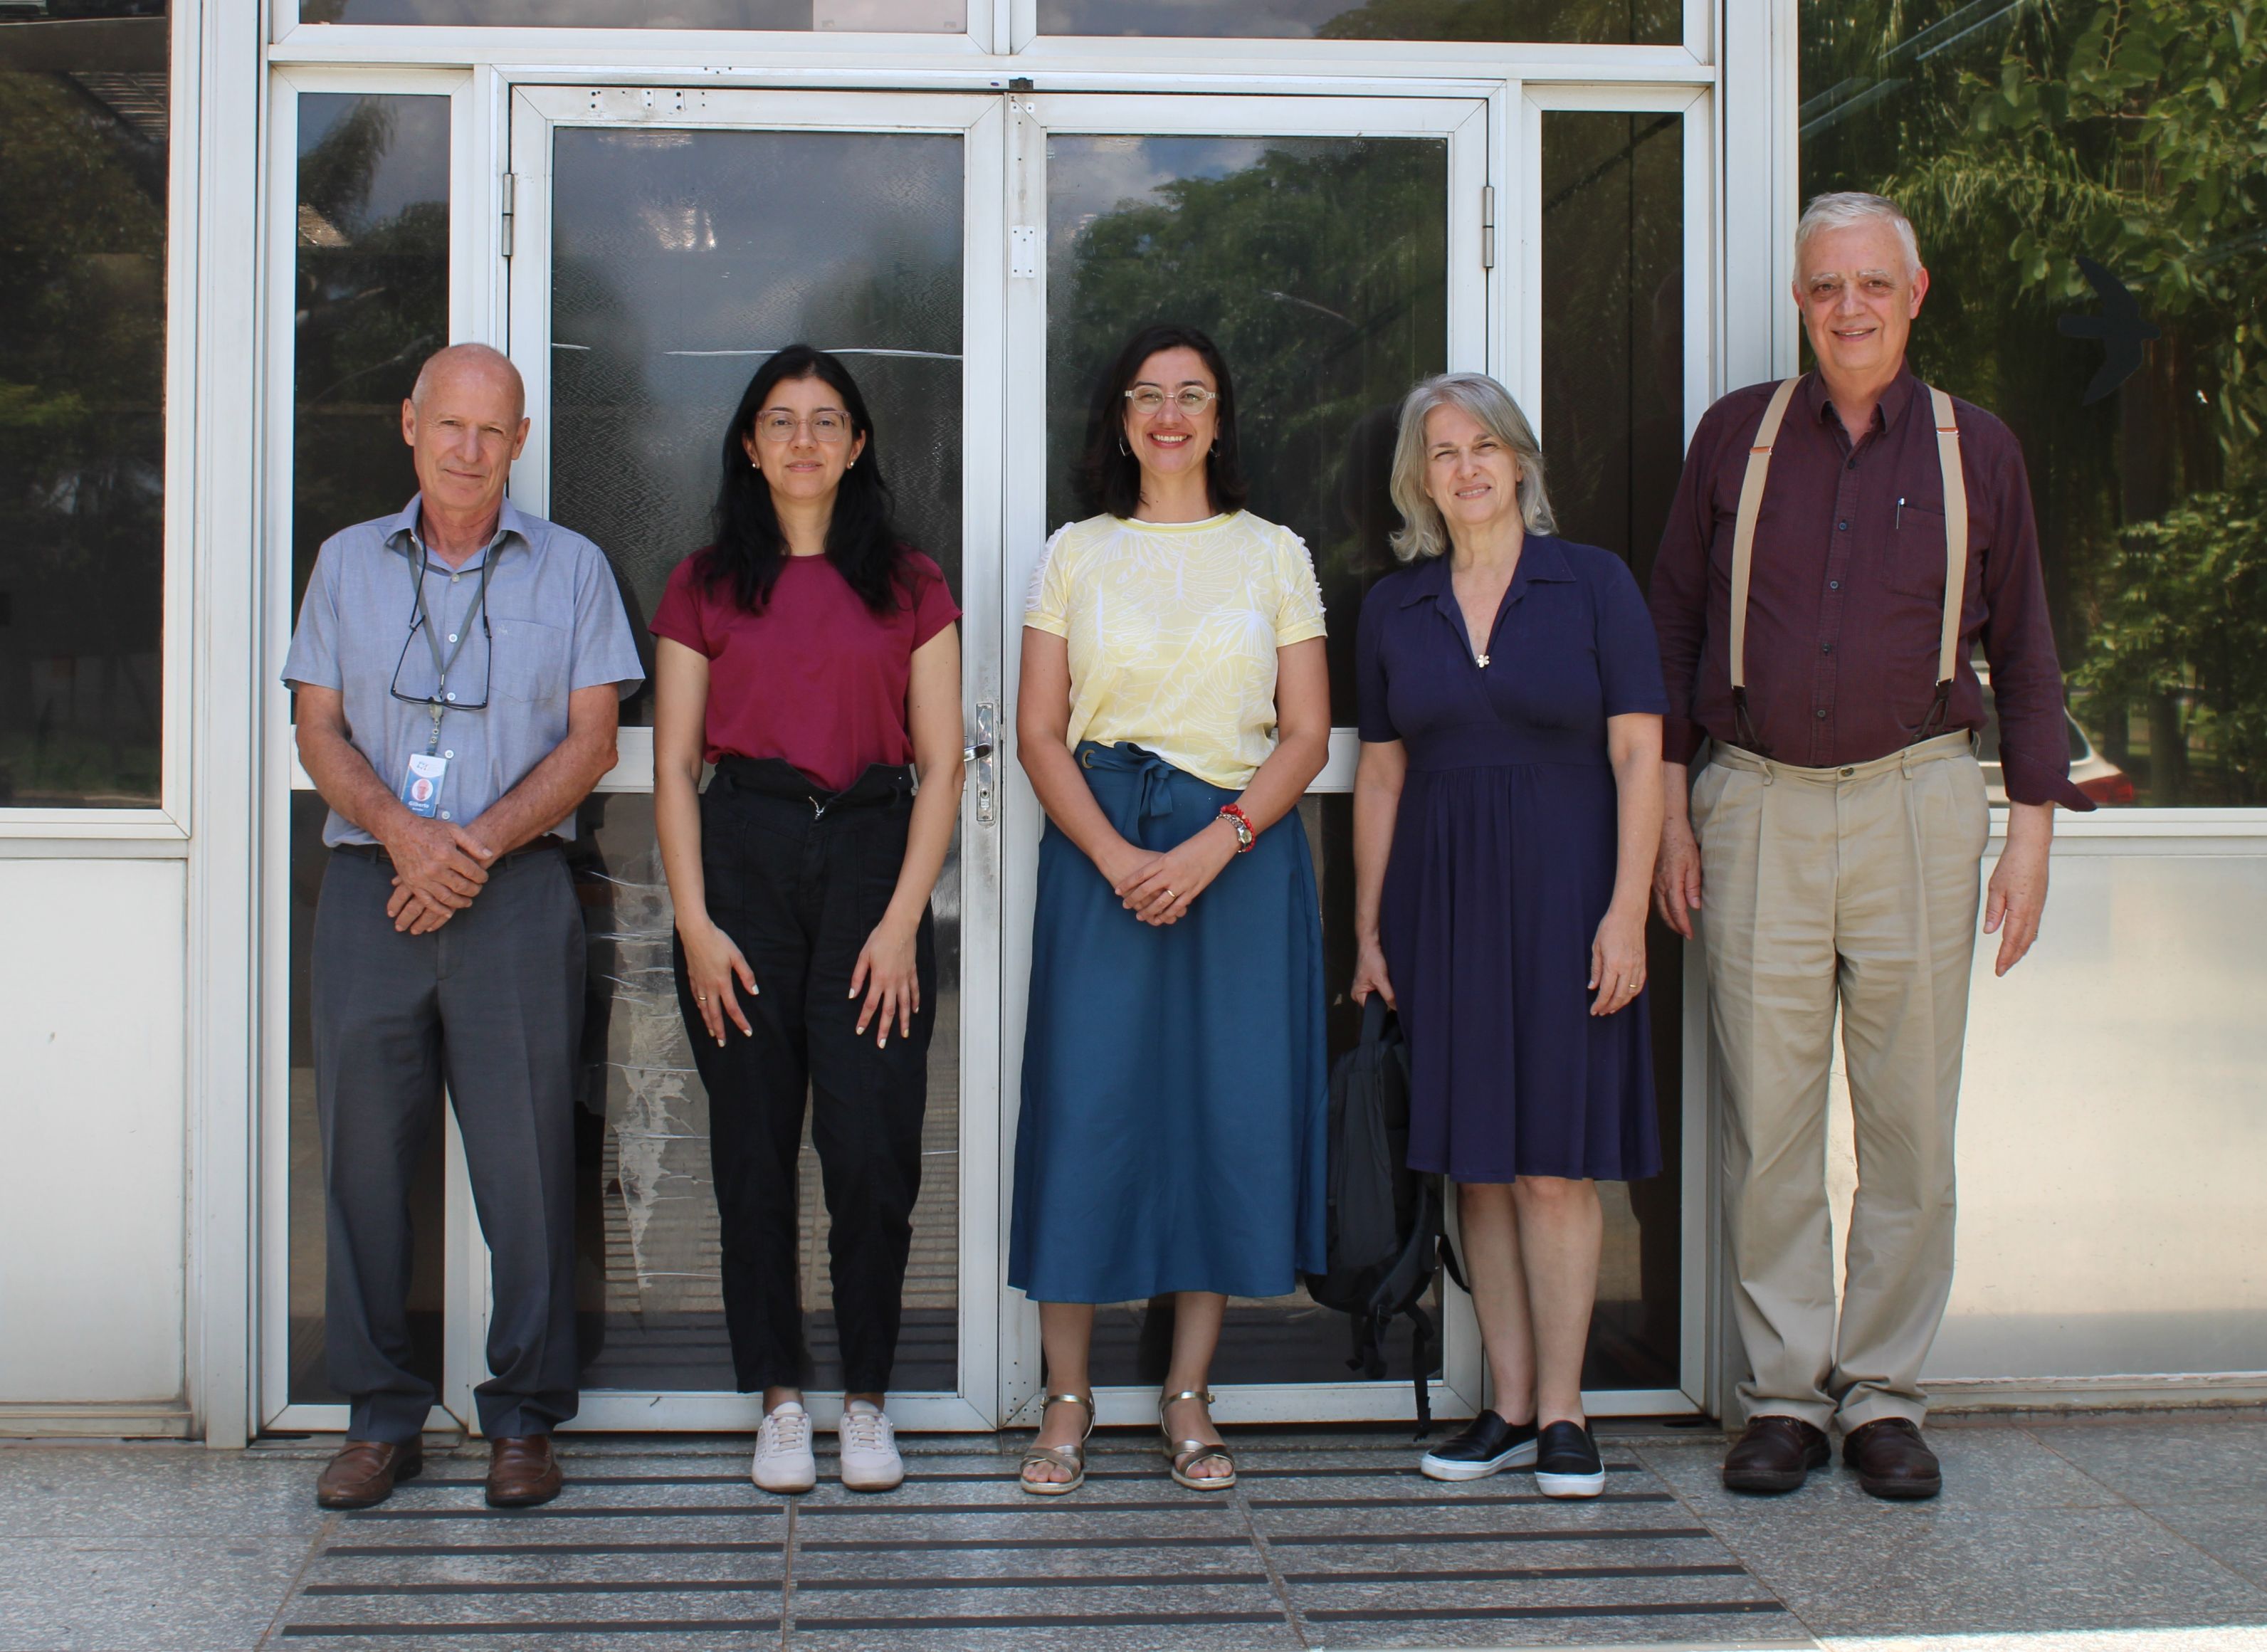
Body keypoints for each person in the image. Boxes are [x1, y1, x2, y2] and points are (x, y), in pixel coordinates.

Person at [1649, 192, 2093, 1500]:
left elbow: (2025, 655)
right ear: (1799, 300)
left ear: (1916, 294)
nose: (1848, 308)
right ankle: (1784, 1395)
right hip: (1756, 803)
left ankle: (1886, 1395)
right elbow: (1673, 627)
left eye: (1871, 286)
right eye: (1824, 287)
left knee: (1906, 1117)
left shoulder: (1979, 450)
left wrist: (2029, 839)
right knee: (1768, 1121)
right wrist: (1672, 805)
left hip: (1915, 801)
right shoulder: (1736, 437)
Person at [284, 342, 643, 1510]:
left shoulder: (576, 569)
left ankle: (524, 1418)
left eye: (493, 431)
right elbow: (319, 728)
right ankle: (382, 1416)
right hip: (370, 895)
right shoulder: (344, 563)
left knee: (529, 1164)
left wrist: (470, 848)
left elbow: (592, 742)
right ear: (409, 423)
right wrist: (402, 833)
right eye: (450, 425)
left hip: (518, 894)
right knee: (362, 1164)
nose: (468, 450)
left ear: (521, 441)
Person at [1010, 323, 1332, 1495]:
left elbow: (1303, 733)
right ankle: (1067, 1395)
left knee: (1219, 1116)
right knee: (1088, 1112)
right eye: (1146, 393)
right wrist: (1108, 854)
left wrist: (1214, 843)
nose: (1169, 413)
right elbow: (1039, 730)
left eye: (1192, 394)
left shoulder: (1274, 552)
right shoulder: (1075, 553)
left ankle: (1188, 1393)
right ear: (1119, 418)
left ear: (1218, 416)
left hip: (1236, 858)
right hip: (1097, 850)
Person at [650, 347, 962, 1495]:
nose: (802, 440)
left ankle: (866, 1398)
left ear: (859, 444)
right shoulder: (703, 583)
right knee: (752, 1146)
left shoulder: (912, 583)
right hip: (744, 859)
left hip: (875, 856)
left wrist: (898, 921)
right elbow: (675, 768)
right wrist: (692, 919)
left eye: (826, 420)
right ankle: (780, 1397)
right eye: (779, 421)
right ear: (748, 442)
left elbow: (940, 769)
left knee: (873, 1148)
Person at [1350, 372, 1666, 1498]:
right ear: (1418, 480)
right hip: (1442, 909)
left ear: (1520, 462)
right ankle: (1510, 1406)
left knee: (1550, 1167)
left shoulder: (1593, 584)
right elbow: (1379, 778)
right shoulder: (1395, 607)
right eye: (1443, 453)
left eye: (1485, 447)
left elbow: (1639, 755)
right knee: (1475, 1170)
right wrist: (1367, 929)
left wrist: (1627, 911)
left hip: (1569, 899)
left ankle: (1570, 1412)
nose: (1467, 469)